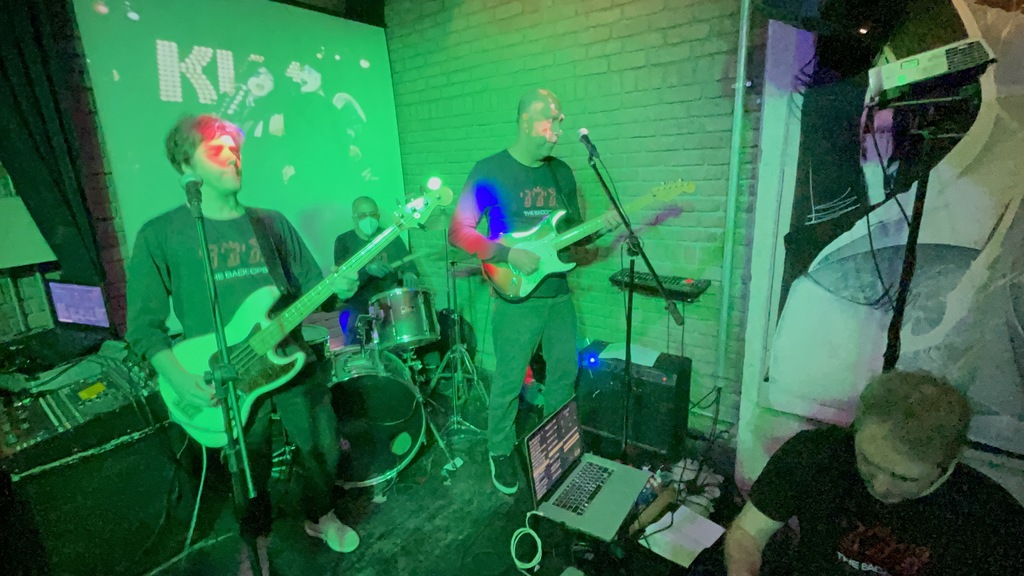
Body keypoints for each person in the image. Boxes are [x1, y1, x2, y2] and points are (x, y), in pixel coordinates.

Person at [125, 114, 362, 568]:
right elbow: (143, 326)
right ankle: (256, 541)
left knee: (323, 446)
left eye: (234, 148)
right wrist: (179, 378)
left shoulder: (270, 223)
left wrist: (341, 287)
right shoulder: (161, 234)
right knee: (249, 469)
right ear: (186, 167)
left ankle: (321, 515)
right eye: (216, 150)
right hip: (225, 373)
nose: (232, 156)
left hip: (290, 356)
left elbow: (313, 289)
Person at [449, 88, 618, 495]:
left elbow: (569, 236)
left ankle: (554, 445)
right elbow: (459, 231)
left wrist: (601, 229)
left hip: (558, 292)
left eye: (561, 122)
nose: (557, 131)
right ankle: (499, 449)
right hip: (516, 296)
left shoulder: (562, 172)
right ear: (526, 121)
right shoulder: (490, 170)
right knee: (509, 380)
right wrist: (508, 253)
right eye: (550, 121)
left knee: (564, 372)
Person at [724, 370, 1024, 576]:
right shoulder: (816, 453)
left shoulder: (994, 520)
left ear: (950, 461)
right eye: (867, 460)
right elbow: (748, 534)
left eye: (904, 478)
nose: (880, 487)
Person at [333, 195, 420, 345]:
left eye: (373, 214)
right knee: (352, 326)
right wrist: (366, 269)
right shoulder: (344, 241)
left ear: (378, 216)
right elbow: (342, 277)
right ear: (354, 218)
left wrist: (410, 273)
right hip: (360, 302)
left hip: (389, 301)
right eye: (363, 215)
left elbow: (408, 263)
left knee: (409, 328)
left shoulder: (390, 236)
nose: (369, 219)